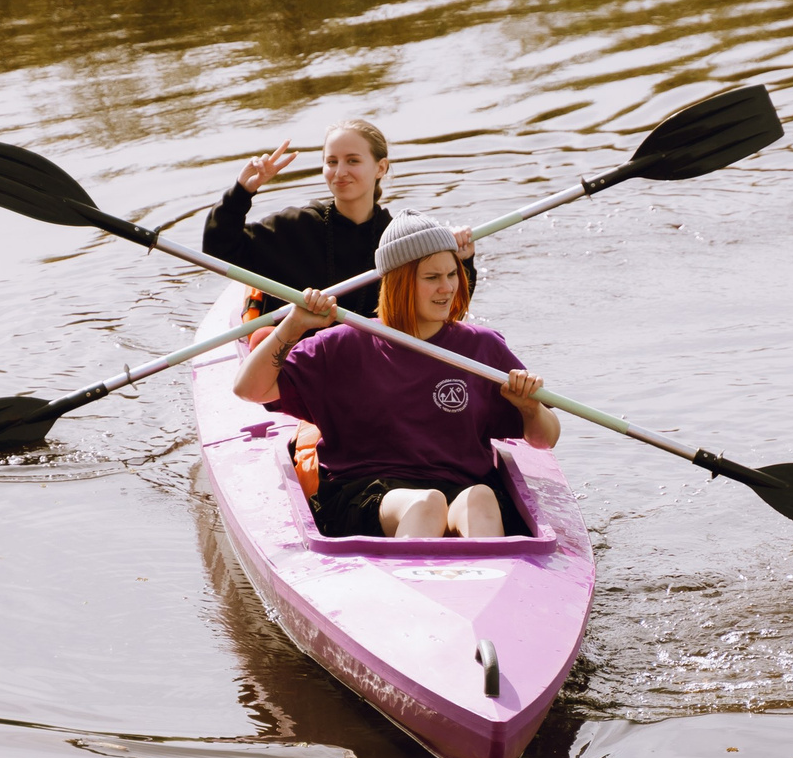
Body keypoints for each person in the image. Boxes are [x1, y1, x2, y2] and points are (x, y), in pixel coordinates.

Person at [234, 214, 559, 540]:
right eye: (432, 277)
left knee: (482, 498)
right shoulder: (344, 343)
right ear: (399, 281)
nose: (447, 288)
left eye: (451, 274)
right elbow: (249, 389)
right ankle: (413, 581)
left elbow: (546, 439)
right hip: (369, 493)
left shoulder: (482, 347)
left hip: (465, 485)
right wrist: (293, 326)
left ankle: (488, 579)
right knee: (426, 504)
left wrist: (530, 408)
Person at [203, 118, 473, 320]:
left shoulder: (401, 236)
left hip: (376, 362)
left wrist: (463, 261)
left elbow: (446, 309)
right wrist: (243, 190)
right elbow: (218, 249)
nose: (340, 172)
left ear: (381, 167)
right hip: (305, 362)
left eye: (352, 161)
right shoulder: (296, 227)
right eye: (331, 162)